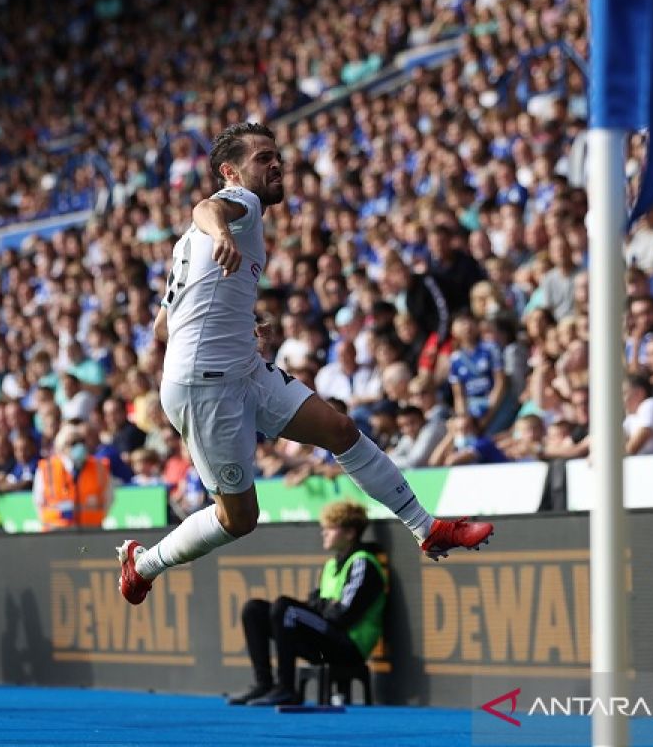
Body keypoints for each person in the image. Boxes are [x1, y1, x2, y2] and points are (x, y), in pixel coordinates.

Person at [118, 123, 492, 606]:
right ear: (231, 172)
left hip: (241, 369)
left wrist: (237, 323)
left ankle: (426, 528)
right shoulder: (238, 206)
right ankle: (143, 564)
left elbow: (161, 329)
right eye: (263, 158)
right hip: (207, 388)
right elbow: (206, 208)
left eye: (278, 157)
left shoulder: (184, 248)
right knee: (238, 518)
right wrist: (222, 234)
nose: (276, 165)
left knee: (339, 431)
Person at [227, 500, 385, 707]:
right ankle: (264, 684)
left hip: (349, 647)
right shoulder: (331, 565)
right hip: (327, 638)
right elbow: (318, 603)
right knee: (254, 609)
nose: (324, 533)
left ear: (349, 533)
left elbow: (342, 616)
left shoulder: (362, 562)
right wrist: (326, 604)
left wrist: (322, 605)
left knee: (285, 608)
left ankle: (286, 689)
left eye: (330, 528)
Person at [32, 423, 112, 531]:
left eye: (81, 441)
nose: (79, 446)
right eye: (73, 443)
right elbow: (38, 501)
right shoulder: (47, 469)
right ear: (62, 447)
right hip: (56, 531)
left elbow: (109, 498)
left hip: (91, 531)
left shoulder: (99, 467)